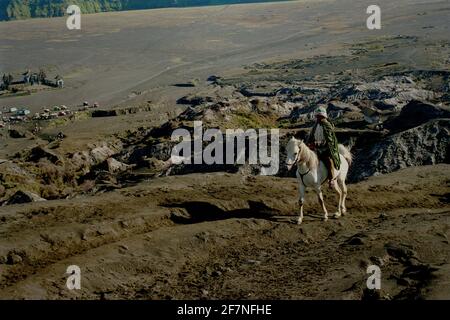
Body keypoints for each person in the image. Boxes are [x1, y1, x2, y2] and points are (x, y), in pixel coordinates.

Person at [307, 105, 341, 187]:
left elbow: (329, 140)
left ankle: (331, 178)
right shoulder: (315, 125)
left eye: (319, 116)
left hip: (326, 148)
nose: (317, 118)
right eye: (317, 116)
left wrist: (317, 144)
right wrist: (308, 143)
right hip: (315, 148)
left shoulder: (327, 125)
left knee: (328, 161)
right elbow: (311, 136)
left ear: (323, 116)